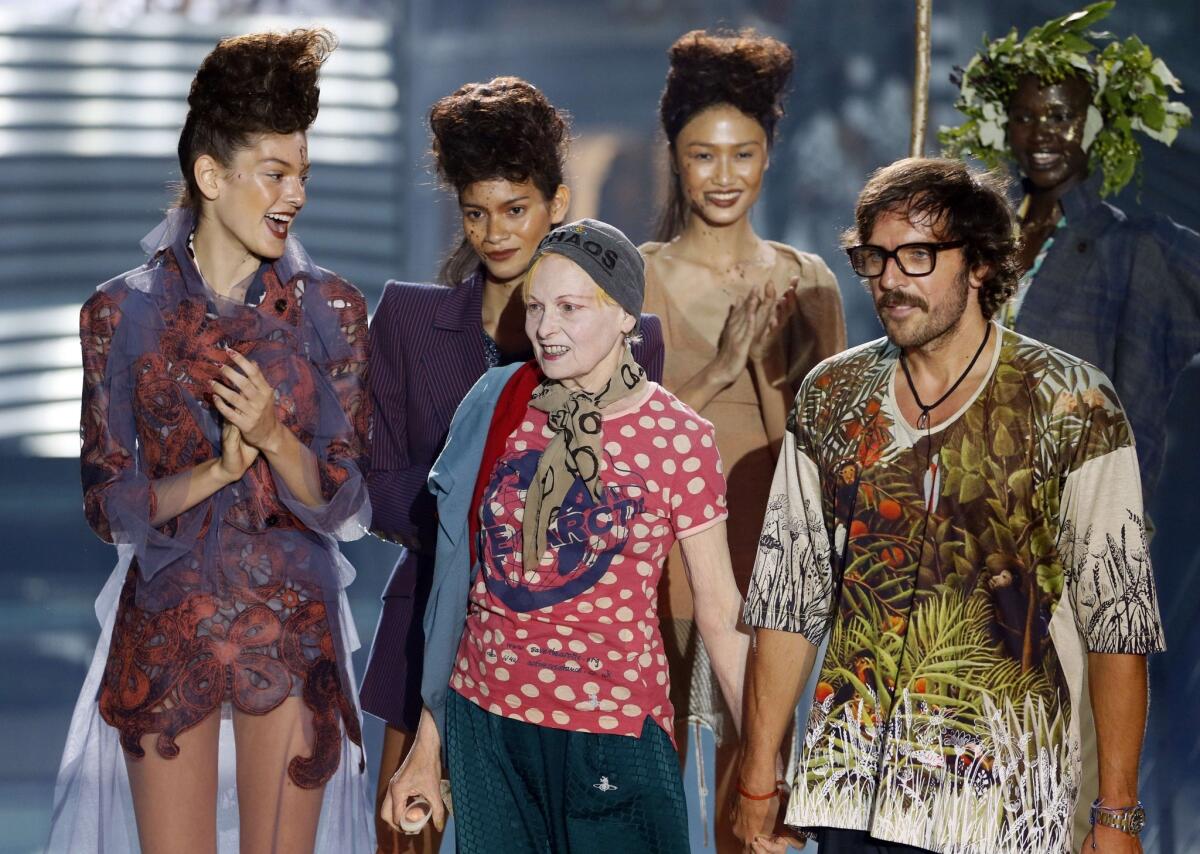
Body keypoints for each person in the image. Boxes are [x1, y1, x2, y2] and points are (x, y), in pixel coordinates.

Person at [733, 158, 1164, 854]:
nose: (890, 279)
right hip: (851, 789)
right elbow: (789, 600)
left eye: (919, 255)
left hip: (1001, 800)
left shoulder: (1072, 403)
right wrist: (758, 777)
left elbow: (1117, 620)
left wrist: (1116, 814)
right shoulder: (832, 396)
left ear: (981, 265)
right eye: (875, 257)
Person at [47, 29, 374, 854]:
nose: (295, 192)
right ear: (210, 174)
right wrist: (216, 470)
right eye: (276, 171)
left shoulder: (330, 311)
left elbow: (342, 496)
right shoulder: (121, 314)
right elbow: (108, 504)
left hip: (292, 619)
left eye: (303, 173)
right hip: (168, 622)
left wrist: (271, 435)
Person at [357, 77, 664, 853]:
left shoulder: (630, 338)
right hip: (428, 627)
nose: (496, 233)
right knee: (406, 840)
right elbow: (384, 487)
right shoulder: (406, 318)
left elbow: (622, 495)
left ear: (558, 203)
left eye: (516, 209)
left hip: (574, 648)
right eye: (476, 212)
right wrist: (493, 526)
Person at [381, 219, 747, 853]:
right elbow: (458, 585)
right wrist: (428, 746)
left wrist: (765, 755)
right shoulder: (497, 399)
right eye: (537, 306)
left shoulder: (678, 436)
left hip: (612, 729)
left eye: (571, 308)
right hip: (486, 722)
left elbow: (719, 610)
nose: (545, 328)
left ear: (627, 316)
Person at [639, 28, 846, 849]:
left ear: (768, 156)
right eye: (703, 155)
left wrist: (768, 370)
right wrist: (722, 365)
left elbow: (825, 452)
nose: (723, 176)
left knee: (755, 791)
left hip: (769, 566)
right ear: (675, 157)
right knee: (648, 780)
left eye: (743, 154)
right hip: (652, 568)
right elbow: (622, 437)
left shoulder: (810, 279)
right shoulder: (636, 274)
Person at [940, 0, 1198, 506]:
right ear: (1005, 125)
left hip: (1079, 513)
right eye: (1025, 116)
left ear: (1095, 126)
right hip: (966, 501)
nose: (1041, 133)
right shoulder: (978, 242)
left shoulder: (1134, 247)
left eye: (1061, 116)